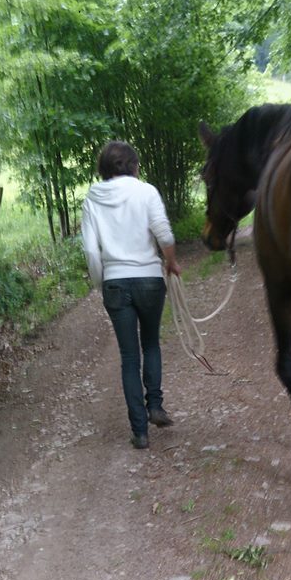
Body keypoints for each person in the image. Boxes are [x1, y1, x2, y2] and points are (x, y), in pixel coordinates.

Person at [81, 140, 181, 449]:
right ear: (134, 166)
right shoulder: (146, 191)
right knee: (151, 343)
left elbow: (89, 249)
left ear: (104, 169)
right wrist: (171, 262)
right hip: (150, 279)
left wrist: (102, 283)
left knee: (128, 357)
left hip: (115, 282)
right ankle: (156, 406)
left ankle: (139, 431)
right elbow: (163, 233)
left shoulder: (92, 198)